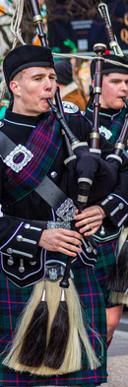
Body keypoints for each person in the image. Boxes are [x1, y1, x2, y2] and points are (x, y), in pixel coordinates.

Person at [0, 45, 112, 387]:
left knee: (85, 383)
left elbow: (121, 170)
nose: (50, 86)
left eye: (51, 78)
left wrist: (107, 208)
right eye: (38, 79)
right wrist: (38, 236)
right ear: (15, 85)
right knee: (16, 385)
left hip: (78, 267)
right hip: (23, 272)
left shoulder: (78, 127)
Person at [84, 53, 128, 346]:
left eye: (127, 81)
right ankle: (88, 382)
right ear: (95, 83)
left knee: (110, 321)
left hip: (119, 225)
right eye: (116, 81)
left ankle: (92, 375)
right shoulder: (77, 120)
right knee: (88, 316)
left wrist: (109, 206)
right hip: (83, 226)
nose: (124, 87)